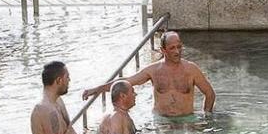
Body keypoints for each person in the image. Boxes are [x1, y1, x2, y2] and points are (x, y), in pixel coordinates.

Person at [82, 31, 216, 117]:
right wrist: (96, 89)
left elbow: (209, 93)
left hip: (186, 120)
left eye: (179, 47)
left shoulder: (191, 69)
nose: (177, 51)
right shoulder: (153, 70)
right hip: (161, 121)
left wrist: (207, 116)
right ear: (163, 50)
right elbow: (126, 82)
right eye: (172, 48)